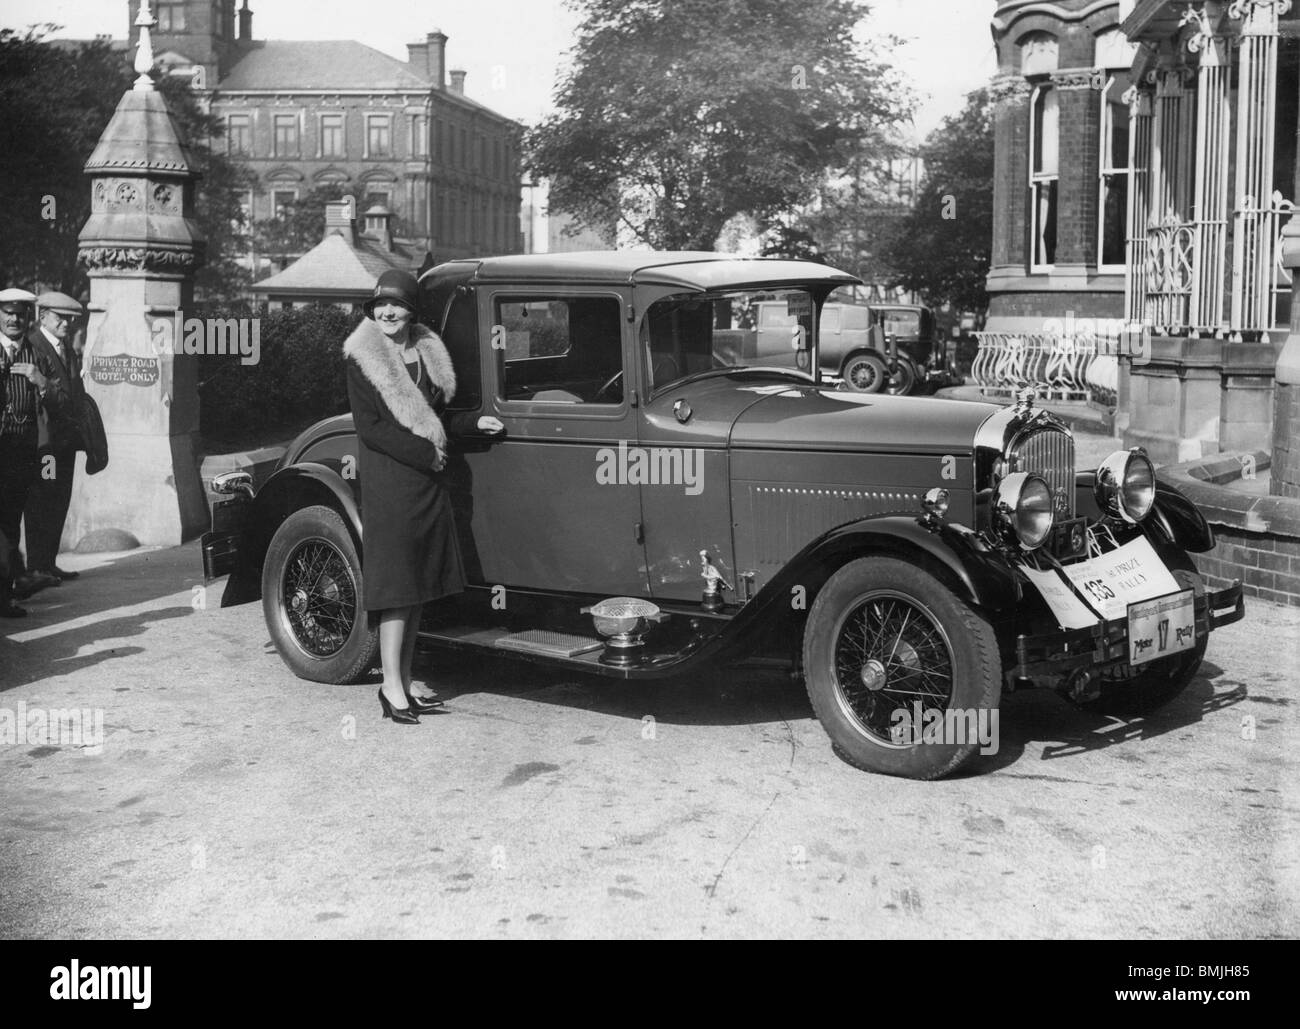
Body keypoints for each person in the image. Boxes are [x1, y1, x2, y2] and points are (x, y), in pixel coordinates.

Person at [344, 270, 503, 724]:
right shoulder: (362, 358)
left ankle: (406, 680)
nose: (388, 313)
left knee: (417, 589)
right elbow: (371, 429)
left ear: (412, 310)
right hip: (393, 481)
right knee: (397, 589)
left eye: (396, 305)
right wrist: (425, 454)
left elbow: (435, 418)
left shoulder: (426, 351)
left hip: (426, 483)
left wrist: (473, 426)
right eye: (380, 306)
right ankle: (389, 686)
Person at [0, 287, 69, 618]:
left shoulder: (35, 353)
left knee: (11, 523)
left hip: (26, 452)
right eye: (7, 313)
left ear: (28, 317)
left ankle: (7, 596)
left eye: (19, 314)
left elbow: (61, 402)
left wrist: (40, 380)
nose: (13, 319)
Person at [23, 291, 86, 585]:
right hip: (46, 445)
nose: (67, 324)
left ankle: (48, 562)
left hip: (65, 443)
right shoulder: (34, 346)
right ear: (43, 316)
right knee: (42, 497)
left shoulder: (64, 348)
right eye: (61, 318)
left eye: (70, 319)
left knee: (59, 498)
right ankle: (37, 565)